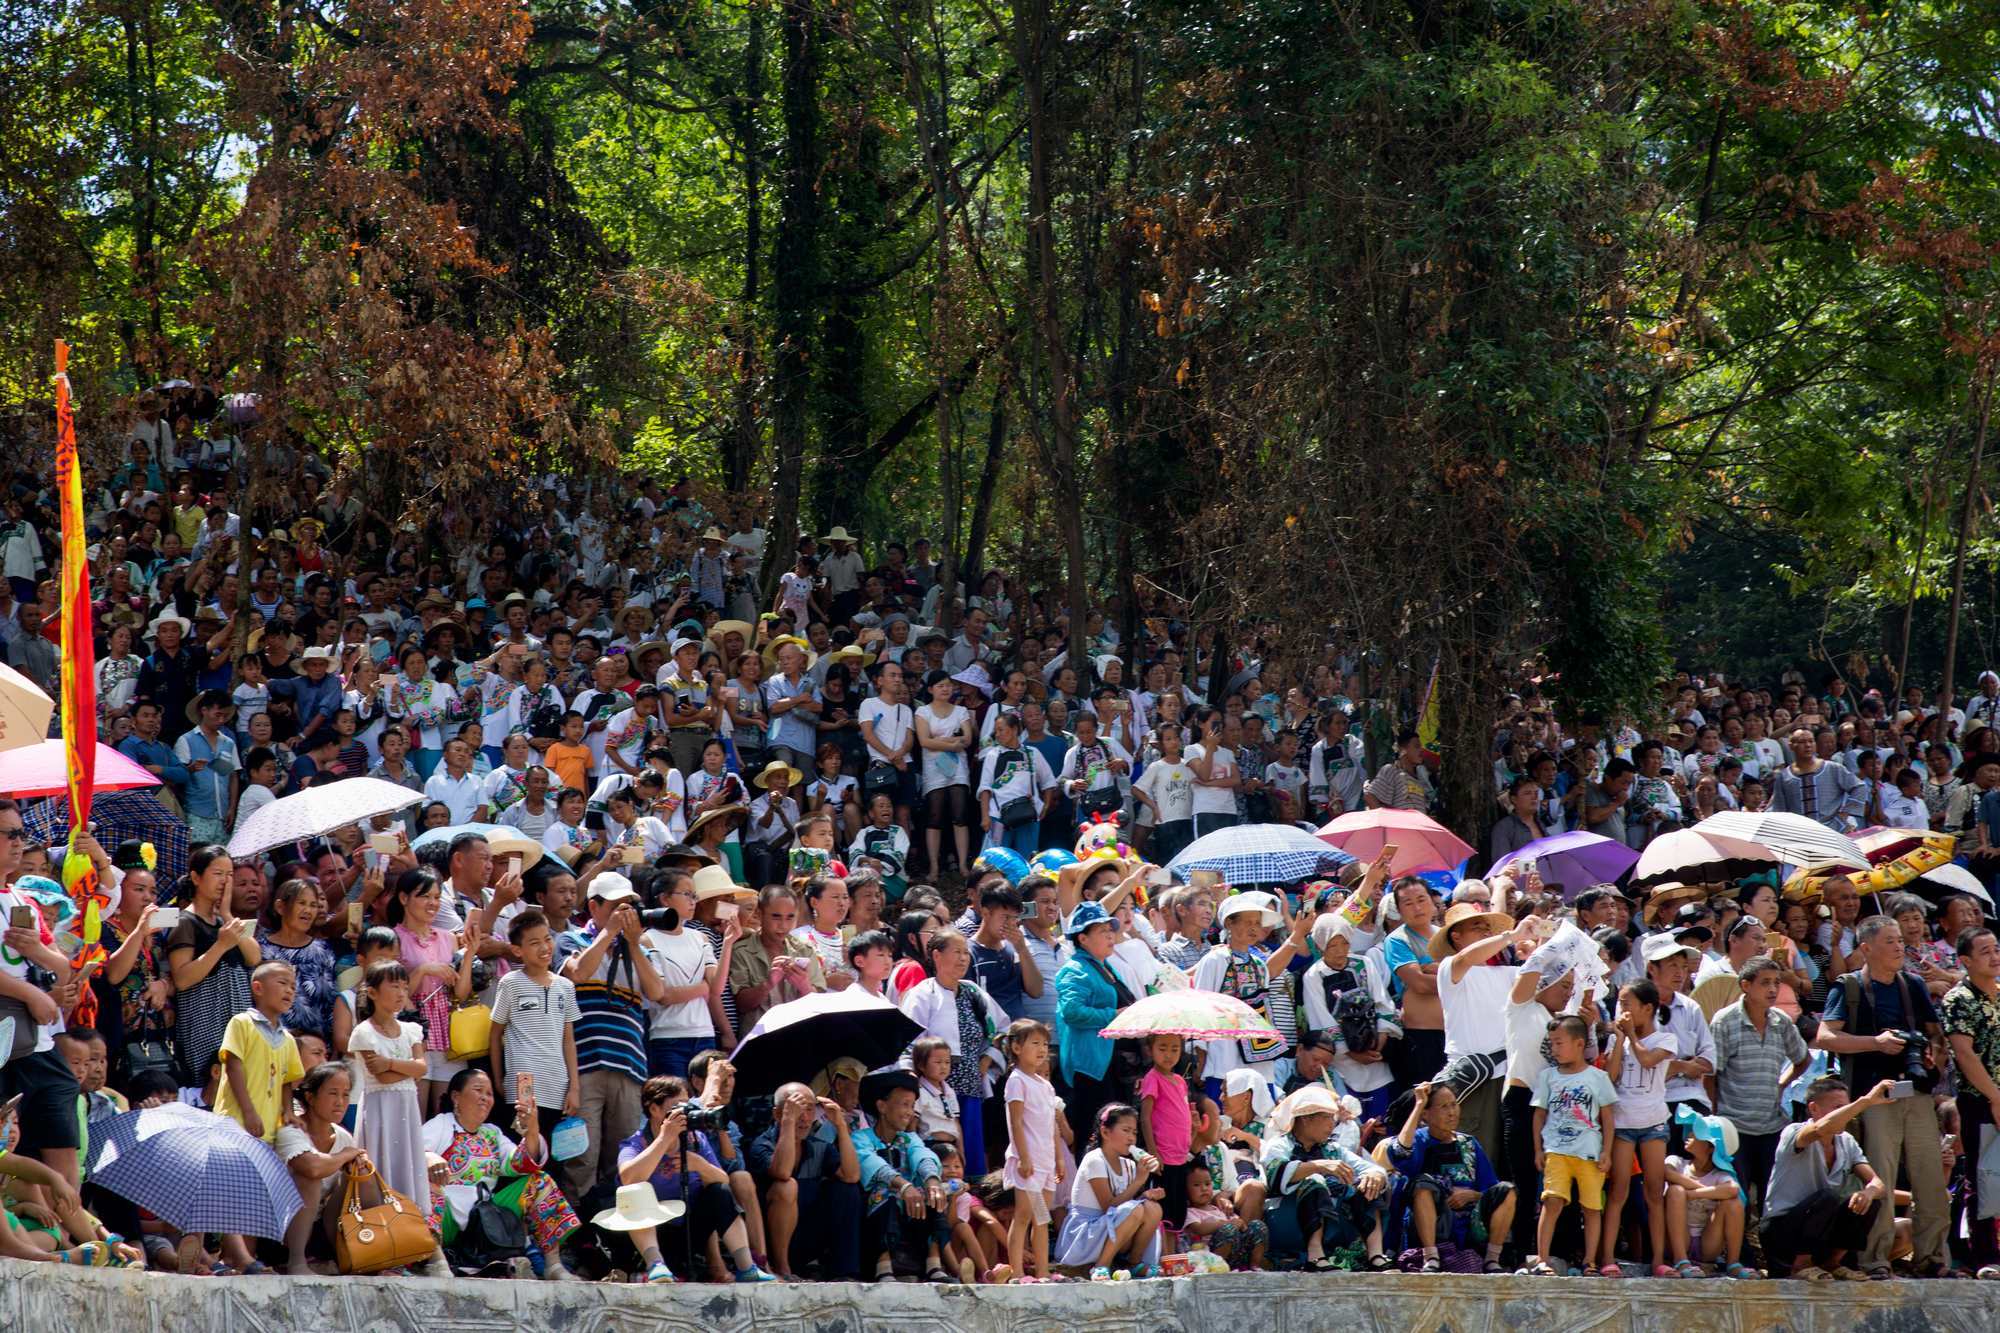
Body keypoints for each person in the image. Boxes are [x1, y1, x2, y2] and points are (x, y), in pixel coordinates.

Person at [1813, 914, 1949, 1277]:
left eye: (1900, 939)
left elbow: (1935, 1033)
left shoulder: (1913, 985)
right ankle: (1875, 1259)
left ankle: (1932, 1259)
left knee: (1931, 1179)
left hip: (1916, 1092)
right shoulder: (1850, 987)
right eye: (1889, 940)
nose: (1898, 946)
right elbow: (1825, 1037)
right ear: (1866, 947)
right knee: (1881, 1180)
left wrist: (1934, 1051)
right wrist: (1875, 1043)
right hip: (1873, 1096)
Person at [422, 1068, 581, 1280]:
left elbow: (521, 1164)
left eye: (489, 1094)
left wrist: (532, 1128)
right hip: (448, 1217)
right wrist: (431, 1158)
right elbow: (413, 1153)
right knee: (423, 1186)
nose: (485, 1098)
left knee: (538, 1181)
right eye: (478, 1090)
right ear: (456, 1096)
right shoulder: (442, 1123)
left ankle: (553, 1265)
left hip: (487, 1219)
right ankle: (437, 1261)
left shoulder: (492, 1133)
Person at [614, 1075, 774, 1284]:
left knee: (720, 1191)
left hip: (688, 1230)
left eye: (687, 1105)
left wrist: (699, 1165)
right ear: (654, 1109)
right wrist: (665, 1138)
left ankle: (747, 1267)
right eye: (676, 1106)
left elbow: (722, 1179)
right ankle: (655, 1265)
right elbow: (628, 1178)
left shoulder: (696, 1139)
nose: (684, 1112)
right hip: (649, 1236)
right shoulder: (635, 1143)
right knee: (635, 1191)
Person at [1759, 1076, 1898, 1280]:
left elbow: (1878, 1184)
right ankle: (1800, 1265)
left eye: (1846, 1107)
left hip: (1818, 1233)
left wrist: (1868, 1192)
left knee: (1869, 1202)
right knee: (1828, 1197)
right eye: (1838, 1108)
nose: (1846, 1114)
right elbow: (1819, 1129)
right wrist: (1865, 1101)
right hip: (1783, 1232)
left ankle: (1832, 1263)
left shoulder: (1846, 1141)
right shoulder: (1794, 1132)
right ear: (1813, 1109)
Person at [1706, 955, 1812, 1221]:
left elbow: (1803, 1059)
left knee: (1771, 1196)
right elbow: (1711, 1074)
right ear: (1746, 985)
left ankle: (1771, 1256)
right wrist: (1716, 1117)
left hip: (1771, 1124)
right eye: (1765, 983)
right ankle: (1738, 1257)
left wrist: (1782, 1084)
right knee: (1736, 1198)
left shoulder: (1780, 1021)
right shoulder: (1725, 1021)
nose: (1773, 989)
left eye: (1776, 982)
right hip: (1734, 1126)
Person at [899, 929, 1007, 1175]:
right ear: (936, 955)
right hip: (934, 1093)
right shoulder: (923, 994)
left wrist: (987, 1060)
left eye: (966, 953)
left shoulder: (973, 992)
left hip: (971, 1086)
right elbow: (907, 1044)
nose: (963, 958)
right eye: (956, 952)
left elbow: (1003, 1030)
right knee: (943, 1155)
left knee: (971, 1156)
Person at [1523, 1014, 1617, 1276]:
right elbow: (1539, 1114)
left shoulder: (1597, 1077)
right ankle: (1542, 1259)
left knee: (1591, 1207)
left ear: (1578, 1044)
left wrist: (1607, 1151)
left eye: (1559, 1043)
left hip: (1589, 1152)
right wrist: (1538, 1149)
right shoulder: (1548, 1077)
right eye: (1551, 1043)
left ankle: (1589, 1261)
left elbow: (1608, 1118)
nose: (1554, 1049)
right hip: (1556, 1150)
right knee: (1551, 1202)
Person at [1389, 1082, 1515, 1273]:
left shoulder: (1469, 1144)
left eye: (1454, 1105)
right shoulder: (1419, 1140)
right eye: (1444, 1107)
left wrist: (1471, 1195)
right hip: (1434, 1223)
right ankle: (1430, 1258)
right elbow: (1400, 1152)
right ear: (1426, 1114)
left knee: (1508, 1191)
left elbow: (1491, 1188)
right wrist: (1418, 1104)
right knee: (1423, 1185)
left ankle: (1491, 1259)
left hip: (1471, 1223)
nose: (1452, 1112)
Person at [1265, 1084, 1390, 1271]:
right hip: (1288, 1217)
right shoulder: (1278, 1145)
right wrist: (1318, 1166)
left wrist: (1374, 1174)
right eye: (1327, 1118)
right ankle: (1315, 1255)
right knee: (1315, 1181)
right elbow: (1275, 1175)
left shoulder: (1332, 1149)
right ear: (1306, 1119)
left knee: (1368, 1184)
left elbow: (1370, 1168)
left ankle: (1375, 1254)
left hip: (1331, 1219)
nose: (1333, 1124)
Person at [747, 1081, 863, 1280]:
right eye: (796, 1110)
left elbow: (852, 1175)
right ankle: (783, 1268)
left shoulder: (819, 1147)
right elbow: (782, 1172)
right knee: (787, 1186)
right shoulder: (762, 1144)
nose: (804, 1118)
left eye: (810, 1110)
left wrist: (841, 1126)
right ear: (777, 1114)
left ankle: (844, 1272)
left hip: (808, 1235)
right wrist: (788, 1123)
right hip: (771, 1239)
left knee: (847, 1189)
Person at [165, 844, 259, 1089]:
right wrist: (220, 946)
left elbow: (254, 958)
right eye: (218, 874)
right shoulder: (184, 921)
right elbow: (182, 978)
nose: (225, 882)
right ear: (196, 877)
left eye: (229, 875)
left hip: (237, 1016)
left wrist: (227, 915)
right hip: (205, 1021)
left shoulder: (225, 921)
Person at [1601, 979, 1677, 1277]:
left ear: (1647, 1008)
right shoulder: (1617, 1039)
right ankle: (1607, 1257)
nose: (1622, 1010)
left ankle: (1658, 1258)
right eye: (1620, 1004)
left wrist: (1631, 1035)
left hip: (1653, 1124)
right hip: (1622, 1124)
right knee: (1617, 1191)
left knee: (1654, 1193)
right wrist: (1619, 1040)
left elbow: (1647, 1060)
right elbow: (1611, 1077)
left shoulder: (1666, 1040)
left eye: (1627, 1004)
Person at [345, 960, 432, 1215]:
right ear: (372, 992)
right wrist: (407, 1070)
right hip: (379, 1108)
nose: (401, 993)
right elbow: (381, 1077)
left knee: (407, 1160)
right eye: (394, 986)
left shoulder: (410, 1030)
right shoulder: (363, 1033)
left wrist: (391, 1063)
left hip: (406, 1107)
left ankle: (413, 1224)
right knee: (382, 1161)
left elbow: (422, 1067)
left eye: (404, 987)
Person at [853, 1066, 954, 1282]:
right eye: (904, 1104)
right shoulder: (861, 1137)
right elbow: (871, 1163)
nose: (910, 1112)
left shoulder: (909, 1139)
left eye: (912, 1106)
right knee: (884, 1192)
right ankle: (883, 1266)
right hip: (873, 1211)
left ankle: (934, 1265)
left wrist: (932, 1181)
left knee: (932, 1193)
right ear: (882, 1106)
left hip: (910, 1209)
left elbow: (922, 1155)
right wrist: (903, 1185)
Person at [490, 908, 583, 1141]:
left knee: (552, 1153)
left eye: (547, 939)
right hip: (523, 1080)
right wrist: (499, 1079)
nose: (544, 947)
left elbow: (568, 1040)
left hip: (558, 1082)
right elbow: (495, 1034)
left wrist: (574, 1087)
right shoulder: (511, 983)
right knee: (523, 1147)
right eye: (534, 943)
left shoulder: (565, 986)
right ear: (517, 950)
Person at [1941, 924, 2000, 1277]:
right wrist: (1995, 1098)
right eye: (1985, 952)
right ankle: (1985, 1256)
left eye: (1996, 949)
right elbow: (1964, 1054)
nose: (1994, 957)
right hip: (1979, 1099)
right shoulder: (1958, 999)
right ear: (1965, 960)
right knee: (1983, 1177)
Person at [277, 1061, 369, 1275]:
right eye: (333, 1093)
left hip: (322, 1228)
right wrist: (345, 1155)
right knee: (311, 1178)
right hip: (285, 1228)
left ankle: (369, 1255)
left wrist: (357, 1160)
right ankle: (297, 1263)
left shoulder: (342, 1136)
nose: (340, 1102)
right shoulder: (291, 1130)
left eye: (346, 1095)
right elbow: (313, 1168)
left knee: (362, 1173)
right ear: (310, 1097)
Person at [1055, 1103, 1166, 1274]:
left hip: (1113, 1229)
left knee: (1153, 1208)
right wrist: (1138, 1181)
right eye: (1126, 1130)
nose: (1131, 1138)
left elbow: (1128, 1206)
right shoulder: (1094, 1160)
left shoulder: (1129, 1164)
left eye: (1134, 1133)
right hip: (1087, 1233)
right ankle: (1102, 1264)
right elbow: (1110, 1206)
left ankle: (1134, 1263)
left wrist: (1146, 1194)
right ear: (1105, 1132)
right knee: (1135, 1210)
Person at [215, 961, 304, 1144]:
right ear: (258, 988)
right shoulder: (242, 1023)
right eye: (282, 983)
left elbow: (286, 1081)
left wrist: (288, 1111)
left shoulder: (288, 1039)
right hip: (235, 1123)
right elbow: (233, 1066)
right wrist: (249, 1112)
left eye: (293, 987)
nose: (289, 990)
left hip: (267, 1128)